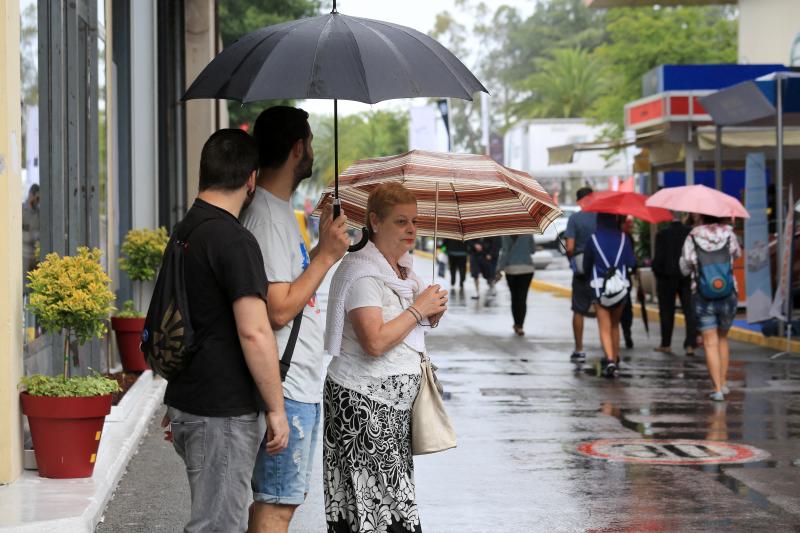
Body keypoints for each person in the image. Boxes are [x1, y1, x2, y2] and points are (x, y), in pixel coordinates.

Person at [162, 129, 289, 533]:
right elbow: (254, 332)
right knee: (218, 527)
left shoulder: (185, 231)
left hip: (191, 402)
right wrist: (276, 408)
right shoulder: (234, 240)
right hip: (223, 411)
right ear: (251, 178)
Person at [240, 106, 350, 533]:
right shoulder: (267, 216)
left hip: (297, 382)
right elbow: (278, 307)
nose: (312, 154)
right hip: (284, 385)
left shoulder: (280, 211)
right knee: (276, 505)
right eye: (310, 146)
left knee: (282, 499)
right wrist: (325, 257)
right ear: (298, 148)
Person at [323, 183, 448, 532]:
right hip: (364, 409)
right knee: (380, 513)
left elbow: (403, 327)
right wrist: (417, 309)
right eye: (401, 221)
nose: (411, 229)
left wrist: (427, 312)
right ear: (375, 222)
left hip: (389, 414)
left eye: (415, 221)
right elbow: (374, 341)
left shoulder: (402, 272)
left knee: (385, 508)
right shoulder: (363, 272)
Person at [680, 214, 741, 401]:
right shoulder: (729, 233)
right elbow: (737, 255)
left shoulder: (693, 235)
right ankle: (723, 382)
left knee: (710, 341)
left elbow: (684, 266)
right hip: (728, 292)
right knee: (723, 338)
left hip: (702, 294)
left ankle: (717, 389)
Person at [584, 213, 636, 378]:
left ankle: (610, 360)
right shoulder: (623, 238)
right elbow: (632, 263)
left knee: (604, 326)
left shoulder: (593, 239)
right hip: (620, 289)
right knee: (615, 325)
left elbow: (587, 264)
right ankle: (615, 357)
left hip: (600, 289)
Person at [652, 213, 697, 355]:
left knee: (666, 311)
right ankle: (690, 344)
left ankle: (666, 344)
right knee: (689, 311)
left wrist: (658, 273)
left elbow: (658, 259)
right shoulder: (689, 233)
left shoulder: (662, 234)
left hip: (666, 278)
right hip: (686, 276)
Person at [564, 187, 598, 361]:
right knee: (603, 310)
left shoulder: (575, 219)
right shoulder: (602, 218)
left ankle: (579, 349)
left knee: (579, 309)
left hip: (581, 270)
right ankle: (609, 349)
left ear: (579, 201)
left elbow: (569, 247)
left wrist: (571, 258)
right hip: (600, 270)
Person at [497, 234, 536, 336]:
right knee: (522, 298)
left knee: (515, 298)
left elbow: (504, 252)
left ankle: (516, 324)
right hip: (527, 269)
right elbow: (533, 250)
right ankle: (520, 325)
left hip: (511, 270)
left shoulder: (505, 234)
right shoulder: (528, 232)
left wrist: (499, 269)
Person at [620, 216, 635, 349]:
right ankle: (626, 332)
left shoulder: (609, 236)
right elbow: (632, 261)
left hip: (609, 278)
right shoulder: (627, 238)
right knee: (626, 308)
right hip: (624, 278)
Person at [21, 183, 40, 286]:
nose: (37, 201)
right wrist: (31, 235)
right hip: (24, 254)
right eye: (36, 198)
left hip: (35, 255)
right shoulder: (21, 211)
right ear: (30, 196)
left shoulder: (39, 212)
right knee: (24, 284)